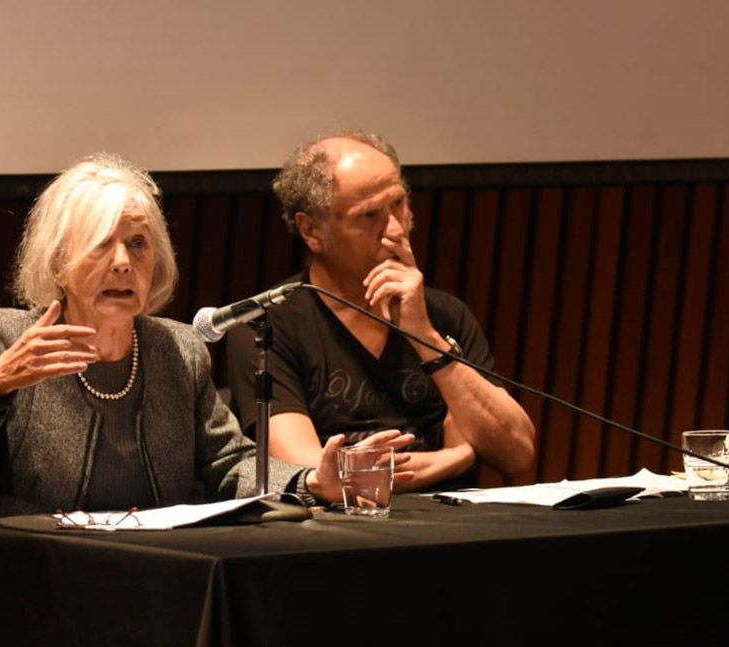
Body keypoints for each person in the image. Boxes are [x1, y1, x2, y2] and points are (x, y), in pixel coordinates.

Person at [0, 153, 406, 515]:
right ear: (59, 261)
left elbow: (230, 464)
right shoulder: (7, 335)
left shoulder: (177, 349)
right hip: (35, 582)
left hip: (158, 579)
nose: (124, 263)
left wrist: (309, 480)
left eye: (137, 244)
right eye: (102, 244)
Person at [227, 132, 536, 490]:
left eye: (399, 205)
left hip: (456, 525)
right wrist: (452, 459)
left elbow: (517, 454)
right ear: (311, 230)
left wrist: (425, 336)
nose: (395, 230)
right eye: (369, 216)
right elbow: (309, 472)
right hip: (338, 532)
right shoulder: (264, 326)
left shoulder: (445, 314)